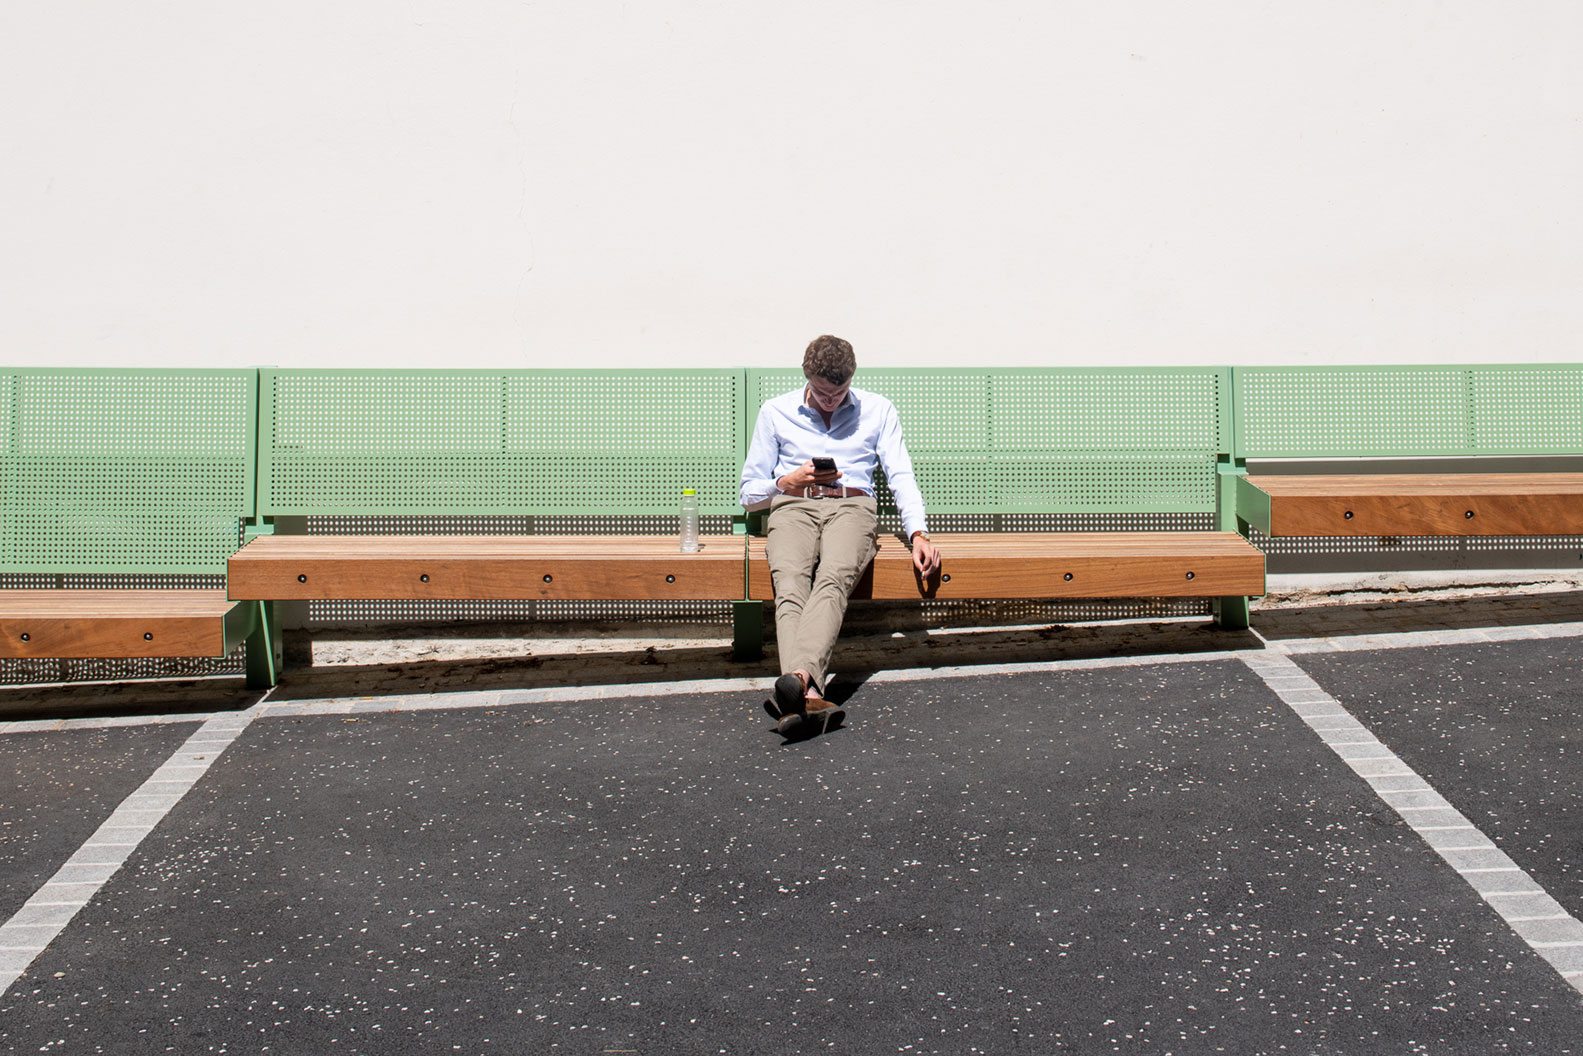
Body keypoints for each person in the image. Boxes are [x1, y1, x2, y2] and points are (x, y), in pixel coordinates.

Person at [740, 335, 941, 734]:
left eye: (839, 392)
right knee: (791, 582)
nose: (830, 400)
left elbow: (900, 474)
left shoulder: (878, 409)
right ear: (806, 377)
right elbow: (749, 494)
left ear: (852, 379)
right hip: (794, 504)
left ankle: (795, 684)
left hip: (853, 506)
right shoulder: (775, 411)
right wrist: (788, 480)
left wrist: (918, 532)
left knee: (833, 578)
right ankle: (808, 694)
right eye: (821, 392)